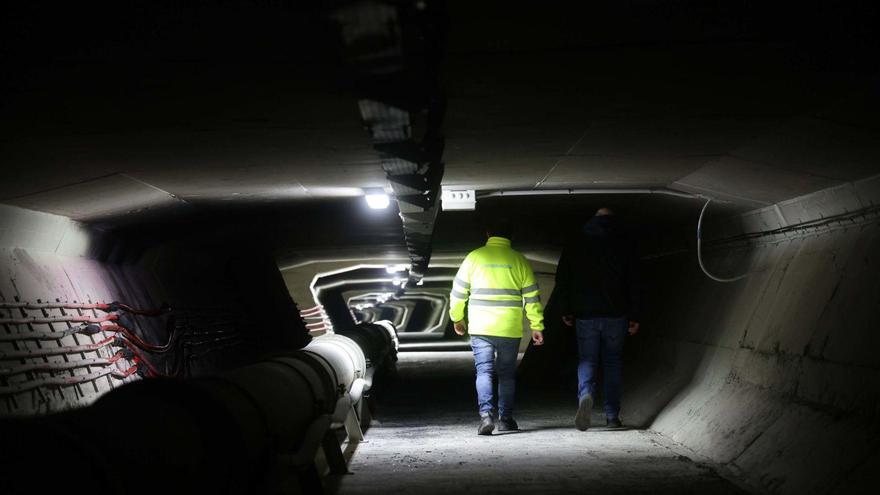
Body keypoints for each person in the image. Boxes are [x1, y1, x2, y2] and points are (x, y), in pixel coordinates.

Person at [449, 219, 545, 435]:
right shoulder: (520, 261)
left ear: (488, 233)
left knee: (484, 371)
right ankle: (506, 419)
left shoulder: (474, 258)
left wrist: (457, 318)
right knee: (507, 375)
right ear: (511, 236)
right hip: (509, 329)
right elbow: (532, 298)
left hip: (481, 327)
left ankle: (486, 417)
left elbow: (458, 293)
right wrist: (537, 325)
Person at [555, 207, 642, 430]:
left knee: (587, 360)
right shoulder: (625, 243)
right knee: (612, 363)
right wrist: (635, 315)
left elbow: (563, 278)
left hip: (585, 314)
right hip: (617, 314)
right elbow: (635, 282)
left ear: (592, 219)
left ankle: (586, 395)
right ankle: (612, 415)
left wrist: (566, 309)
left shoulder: (576, 242)